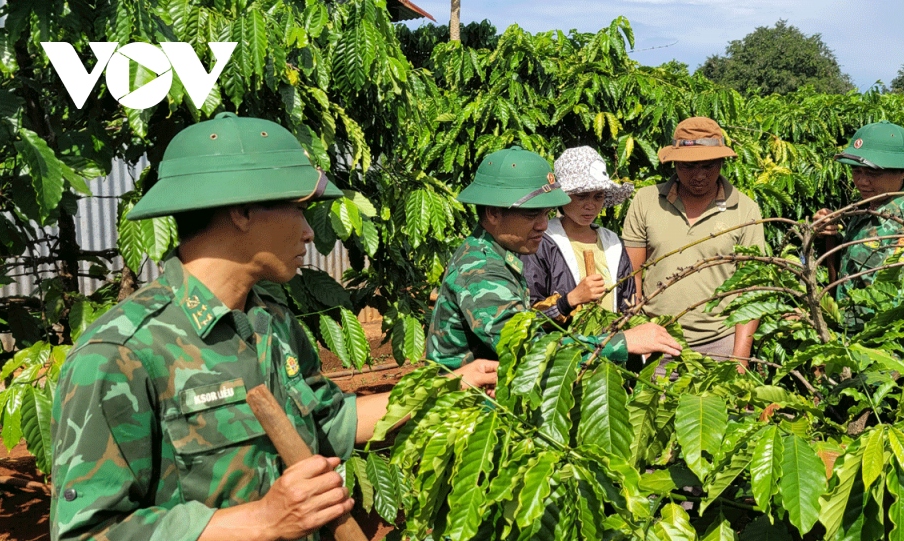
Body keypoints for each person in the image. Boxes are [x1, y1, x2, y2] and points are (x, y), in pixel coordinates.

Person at [50, 113, 499, 541]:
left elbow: (332, 420)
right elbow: (86, 530)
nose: (309, 232)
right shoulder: (120, 352)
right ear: (242, 211)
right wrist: (261, 521)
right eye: (297, 208)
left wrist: (443, 389)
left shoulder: (270, 321)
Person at [425, 145, 681, 369]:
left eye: (545, 214)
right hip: (467, 412)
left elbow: (523, 324)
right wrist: (621, 342)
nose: (542, 225)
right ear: (493, 213)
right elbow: (528, 350)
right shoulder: (482, 270)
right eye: (530, 215)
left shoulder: (502, 255)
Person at [622, 117, 767, 365]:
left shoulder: (745, 210)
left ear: (722, 162)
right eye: (688, 166)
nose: (698, 175)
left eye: (708, 165)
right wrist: (640, 333)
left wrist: (739, 359)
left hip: (721, 343)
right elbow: (631, 276)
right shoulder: (646, 201)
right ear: (675, 163)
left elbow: (751, 290)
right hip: (658, 342)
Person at [813, 120, 904, 300]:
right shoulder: (865, 209)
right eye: (856, 171)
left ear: (902, 172)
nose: (862, 182)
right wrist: (824, 235)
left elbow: (902, 303)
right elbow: (850, 270)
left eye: (873, 173)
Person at [522, 146, 637, 320]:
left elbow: (627, 301)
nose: (590, 205)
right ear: (564, 196)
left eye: (598, 196)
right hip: (563, 344)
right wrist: (569, 301)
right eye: (582, 196)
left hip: (611, 342)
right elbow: (529, 314)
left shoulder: (612, 243)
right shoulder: (542, 242)